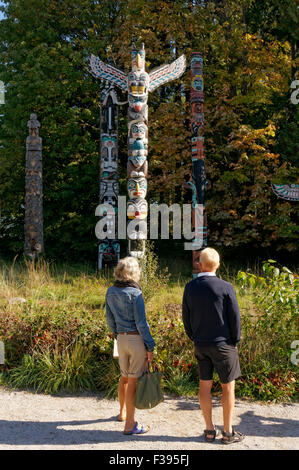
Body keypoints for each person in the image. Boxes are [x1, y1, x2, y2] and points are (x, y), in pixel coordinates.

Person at [182, 247, 245, 444]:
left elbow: (186, 317)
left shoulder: (190, 287)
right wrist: (235, 341)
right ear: (218, 264)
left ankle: (209, 430)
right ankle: (227, 432)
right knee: (228, 387)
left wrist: (194, 336)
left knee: (204, 385)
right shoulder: (226, 287)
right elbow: (234, 318)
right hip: (223, 344)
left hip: (201, 343)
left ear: (199, 264)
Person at [105, 256, 155, 435]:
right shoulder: (136, 293)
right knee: (133, 380)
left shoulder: (110, 291)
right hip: (135, 340)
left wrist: (118, 335)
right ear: (134, 273)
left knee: (124, 378)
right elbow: (141, 323)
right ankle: (130, 425)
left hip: (121, 339)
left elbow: (109, 320)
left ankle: (122, 413)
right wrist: (150, 345)